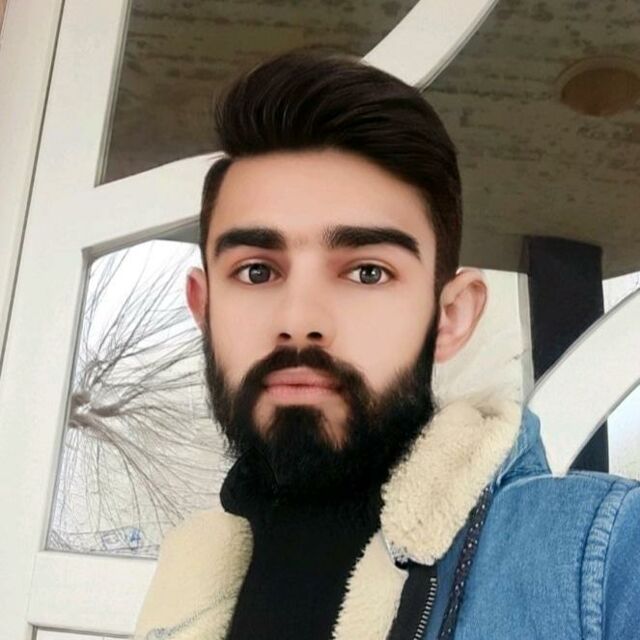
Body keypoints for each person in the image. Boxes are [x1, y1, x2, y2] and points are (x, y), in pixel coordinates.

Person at [133, 48, 640, 640]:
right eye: (257, 271)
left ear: (450, 317)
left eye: (367, 272)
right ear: (204, 307)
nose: (299, 320)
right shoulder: (182, 597)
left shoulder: (605, 562)